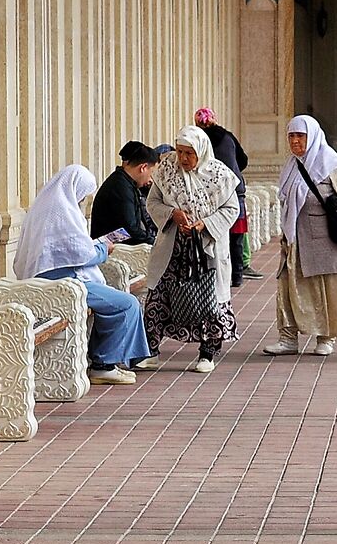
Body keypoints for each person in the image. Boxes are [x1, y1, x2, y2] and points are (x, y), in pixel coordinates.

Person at [13, 164, 154, 385]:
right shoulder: (62, 213)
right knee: (127, 304)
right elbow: (82, 256)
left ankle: (108, 359)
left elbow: (72, 250)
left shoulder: (48, 207)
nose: (83, 200)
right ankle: (104, 365)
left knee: (117, 301)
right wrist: (103, 249)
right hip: (64, 284)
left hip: (55, 281)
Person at [265, 114, 337, 356]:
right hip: (295, 238)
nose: (296, 141)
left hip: (324, 239)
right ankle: (288, 336)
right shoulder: (292, 165)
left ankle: (326, 337)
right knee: (289, 285)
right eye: (291, 136)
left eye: (300, 136)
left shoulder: (330, 162)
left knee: (326, 287)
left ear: (312, 137)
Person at [144, 128, 242, 373]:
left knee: (208, 298)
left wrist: (205, 224)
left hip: (205, 247)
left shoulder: (220, 176)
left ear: (202, 152)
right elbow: (152, 202)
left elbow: (231, 209)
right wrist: (172, 214)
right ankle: (151, 351)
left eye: (190, 153)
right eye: (180, 152)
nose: (184, 158)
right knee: (159, 295)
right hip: (173, 246)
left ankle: (207, 353)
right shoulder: (166, 171)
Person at [195, 106, 254, 286]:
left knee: (215, 233)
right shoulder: (227, 136)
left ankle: (215, 277)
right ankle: (237, 276)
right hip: (235, 189)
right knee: (236, 235)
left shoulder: (199, 140)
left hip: (211, 192)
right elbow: (243, 159)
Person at [91, 142, 161, 245]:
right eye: (152, 174)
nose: (151, 179)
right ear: (143, 168)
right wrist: (155, 243)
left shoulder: (126, 183)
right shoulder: (120, 187)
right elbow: (129, 229)